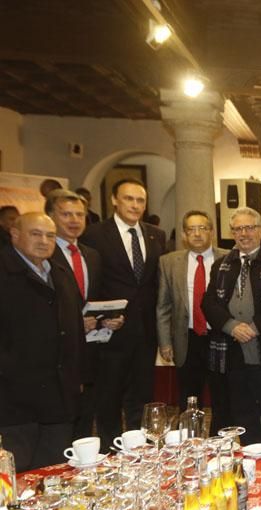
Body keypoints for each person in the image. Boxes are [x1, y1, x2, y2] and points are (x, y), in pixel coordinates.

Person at [81, 178, 166, 449]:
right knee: (109, 397)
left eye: (140, 200)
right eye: (129, 199)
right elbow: (91, 282)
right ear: (115, 200)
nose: (135, 205)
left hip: (145, 331)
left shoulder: (156, 234)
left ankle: (138, 449)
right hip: (110, 331)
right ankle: (111, 450)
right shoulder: (94, 234)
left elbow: (154, 283)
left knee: (141, 397)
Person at [0, 213, 84, 470]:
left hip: (59, 397)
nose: (44, 241)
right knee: (19, 476)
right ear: (15, 234)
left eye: (50, 235)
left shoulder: (60, 272)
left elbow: (75, 328)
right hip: (15, 399)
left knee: (54, 472)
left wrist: (77, 376)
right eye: (35, 233)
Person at [202, 207, 261, 444]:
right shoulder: (221, 264)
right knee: (242, 416)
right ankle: (253, 461)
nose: (244, 233)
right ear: (232, 233)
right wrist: (232, 326)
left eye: (249, 227)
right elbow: (208, 303)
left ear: (260, 230)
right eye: (238, 228)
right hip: (233, 355)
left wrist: (254, 327)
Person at [46, 189, 123, 439]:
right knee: (61, 424)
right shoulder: (44, 256)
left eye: (79, 214)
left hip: (91, 352)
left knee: (87, 416)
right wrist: (74, 323)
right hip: (57, 354)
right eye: (66, 214)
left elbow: (96, 299)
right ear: (51, 216)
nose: (74, 220)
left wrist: (112, 319)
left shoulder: (92, 255)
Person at [157, 211, 229, 431]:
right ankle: (190, 444)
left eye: (202, 228)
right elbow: (163, 305)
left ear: (212, 232)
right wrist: (165, 342)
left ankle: (220, 445)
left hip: (219, 338)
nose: (197, 234)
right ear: (184, 234)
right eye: (191, 229)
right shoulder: (169, 262)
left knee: (222, 397)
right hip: (186, 338)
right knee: (189, 398)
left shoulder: (228, 258)